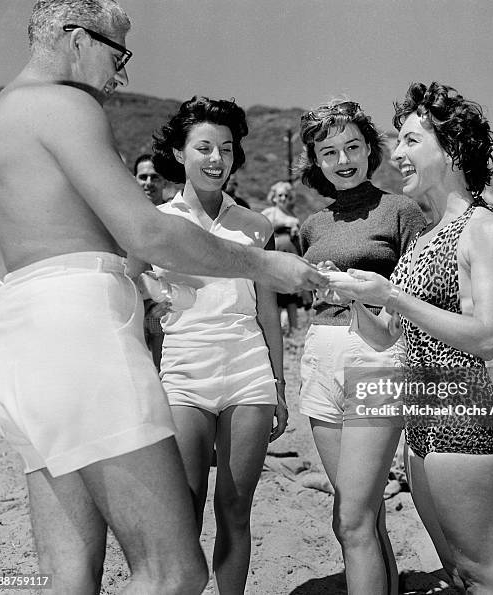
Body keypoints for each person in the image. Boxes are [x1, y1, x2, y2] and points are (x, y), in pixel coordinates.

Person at [0, 2, 325, 593]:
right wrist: (264, 263)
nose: (122, 74)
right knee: (174, 572)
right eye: (119, 53)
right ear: (74, 38)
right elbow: (148, 233)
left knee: (68, 578)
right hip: (79, 339)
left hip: (20, 348)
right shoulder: (65, 105)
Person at [329, 82, 493, 594]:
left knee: (484, 577)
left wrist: (394, 297)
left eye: (411, 140)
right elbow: (393, 332)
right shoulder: (428, 234)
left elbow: (486, 338)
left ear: (451, 148)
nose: (398, 153)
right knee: (458, 575)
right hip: (421, 423)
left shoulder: (485, 229)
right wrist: (356, 296)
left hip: (462, 419)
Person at [148, 96, 286, 594]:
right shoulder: (156, 223)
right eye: (204, 147)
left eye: (226, 149)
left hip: (247, 368)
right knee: (184, 507)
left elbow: (267, 310)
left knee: (234, 508)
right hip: (183, 370)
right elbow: (139, 299)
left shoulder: (256, 226)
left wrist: (279, 385)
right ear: (180, 152)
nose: (216, 159)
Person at [297, 99, 425, 595]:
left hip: (376, 356)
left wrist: (360, 293)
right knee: (360, 514)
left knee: (351, 520)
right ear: (316, 160)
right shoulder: (312, 225)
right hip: (320, 354)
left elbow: (413, 294)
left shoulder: (401, 210)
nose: (343, 159)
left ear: (371, 150)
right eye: (329, 151)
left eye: (352, 146)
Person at [134, 153, 166, 369]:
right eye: (143, 177)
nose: (148, 183)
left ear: (163, 181)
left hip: (164, 307)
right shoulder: (122, 217)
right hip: (132, 304)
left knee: (165, 373)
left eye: (154, 177)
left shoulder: (173, 218)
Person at [262, 181, 303, 333]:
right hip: (274, 257)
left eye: (286, 195)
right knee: (276, 294)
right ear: (274, 197)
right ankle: (275, 329)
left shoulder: (292, 215)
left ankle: (294, 330)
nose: (283, 198)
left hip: (290, 257)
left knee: (291, 294)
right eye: (280, 195)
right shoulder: (269, 213)